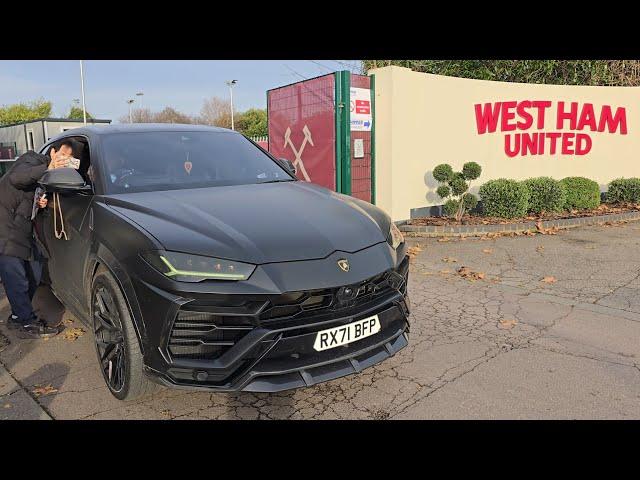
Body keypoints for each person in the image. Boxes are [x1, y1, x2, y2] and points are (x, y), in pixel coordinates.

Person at [0, 140, 71, 338]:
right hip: (5, 228)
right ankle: (25, 322)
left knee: (35, 269)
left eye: (70, 159)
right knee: (17, 278)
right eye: (64, 155)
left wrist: (38, 203)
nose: (66, 161)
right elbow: (17, 178)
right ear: (54, 151)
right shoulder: (32, 159)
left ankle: (17, 317)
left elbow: (26, 194)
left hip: (20, 229)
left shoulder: (47, 176)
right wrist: (49, 166)